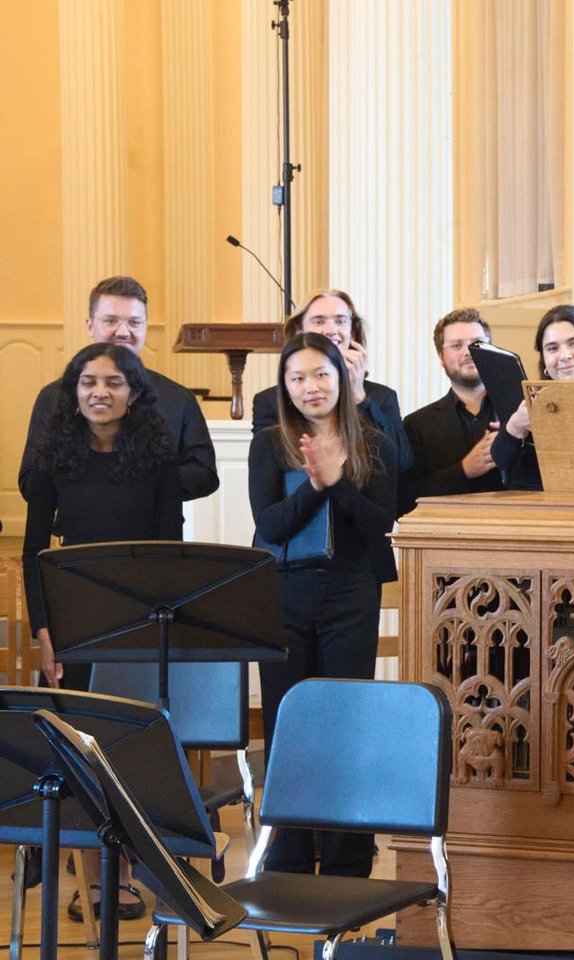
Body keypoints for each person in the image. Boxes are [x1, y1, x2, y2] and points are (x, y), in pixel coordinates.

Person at [22, 341, 183, 921]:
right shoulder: (53, 458)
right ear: (74, 393)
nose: (99, 392)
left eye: (113, 382)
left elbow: (170, 549)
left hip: (138, 619)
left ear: (133, 393)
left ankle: (134, 871)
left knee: (131, 749)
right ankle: (95, 878)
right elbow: (34, 551)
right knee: (83, 751)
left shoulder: (159, 459)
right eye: (88, 382)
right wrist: (44, 631)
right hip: (72, 620)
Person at [249, 332, 398, 876]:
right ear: (284, 387)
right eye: (297, 377)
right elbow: (269, 525)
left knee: (344, 723)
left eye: (320, 374)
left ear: (341, 376)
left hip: (350, 593)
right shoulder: (270, 443)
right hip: (283, 592)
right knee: (288, 724)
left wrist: (338, 482)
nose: (310, 386)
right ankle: (287, 857)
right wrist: (315, 487)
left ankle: (347, 859)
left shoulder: (374, 444)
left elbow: (380, 526)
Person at [19, 276, 217, 505]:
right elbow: (30, 481)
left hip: (154, 524)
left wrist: (141, 487)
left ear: (145, 327)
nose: (123, 332)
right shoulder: (54, 396)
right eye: (111, 321)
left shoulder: (177, 398)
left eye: (134, 322)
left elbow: (204, 472)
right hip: (80, 524)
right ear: (90, 326)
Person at [251, 289, 413, 473]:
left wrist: (359, 397)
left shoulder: (382, 396)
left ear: (353, 333)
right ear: (299, 332)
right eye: (319, 321)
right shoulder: (269, 401)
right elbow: (267, 469)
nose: (331, 330)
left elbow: (401, 465)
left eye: (340, 321)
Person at [492, 305, 574, 491]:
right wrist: (515, 426)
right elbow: (502, 460)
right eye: (552, 348)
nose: (564, 356)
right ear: (544, 358)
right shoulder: (531, 404)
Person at [400, 308, 504, 514]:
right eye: (457, 345)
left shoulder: (521, 412)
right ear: (441, 356)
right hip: (447, 531)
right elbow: (405, 501)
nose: (468, 352)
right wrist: (464, 470)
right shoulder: (416, 425)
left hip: (516, 528)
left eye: (477, 343)